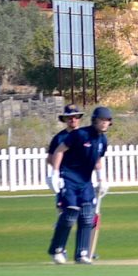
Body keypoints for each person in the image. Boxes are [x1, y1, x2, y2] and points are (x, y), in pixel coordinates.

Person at [46, 106, 113, 265]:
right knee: (70, 214)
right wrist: (55, 173)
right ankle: (57, 249)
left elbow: (97, 160)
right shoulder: (80, 134)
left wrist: (101, 179)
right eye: (101, 120)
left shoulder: (103, 140)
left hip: (85, 181)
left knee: (88, 216)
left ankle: (82, 253)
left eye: (107, 121)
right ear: (95, 120)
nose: (104, 124)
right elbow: (59, 151)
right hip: (68, 177)